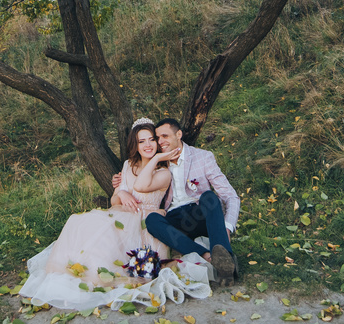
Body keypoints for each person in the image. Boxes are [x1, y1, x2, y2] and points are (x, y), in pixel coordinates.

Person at [19, 119, 177, 307]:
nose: (148, 145)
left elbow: (142, 185)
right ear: (135, 145)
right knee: (83, 223)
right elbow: (114, 201)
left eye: (151, 139)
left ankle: (99, 276)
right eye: (142, 141)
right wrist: (122, 191)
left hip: (145, 223)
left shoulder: (163, 171)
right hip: (121, 214)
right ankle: (80, 272)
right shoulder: (128, 165)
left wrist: (157, 158)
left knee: (110, 240)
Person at [141, 117, 240, 284]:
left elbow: (230, 195)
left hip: (199, 215)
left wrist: (227, 228)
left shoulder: (203, 157)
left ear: (178, 134)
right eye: (157, 138)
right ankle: (208, 256)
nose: (160, 141)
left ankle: (225, 255)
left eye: (164, 136)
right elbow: (140, 182)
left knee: (209, 197)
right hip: (176, 223)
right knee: (152, 220)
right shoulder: (158, 162)